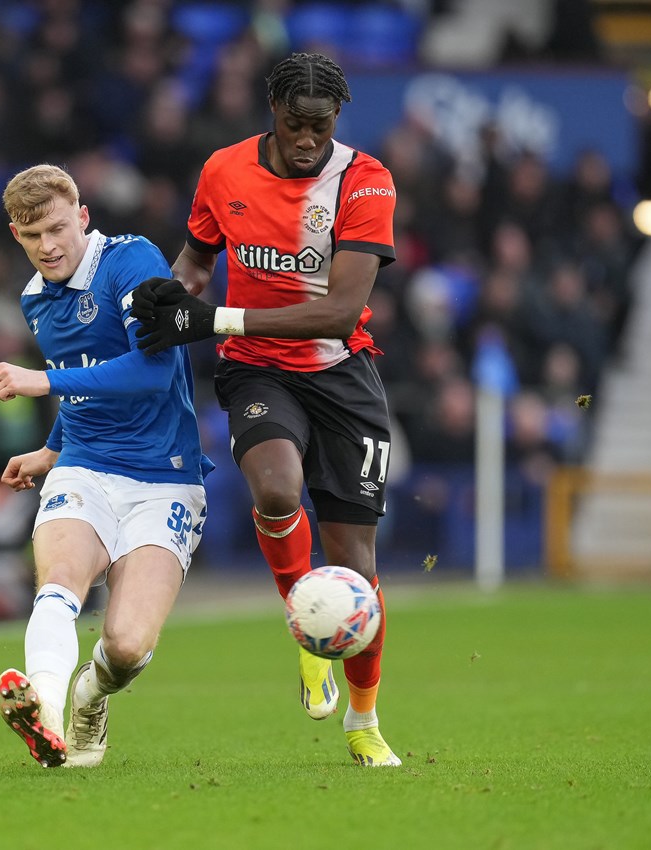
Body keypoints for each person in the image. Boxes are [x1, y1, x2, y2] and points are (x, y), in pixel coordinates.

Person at [132, 53, 400, 767]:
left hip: (344, 375)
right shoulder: (224, 171)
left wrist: (209, 319)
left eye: (322, 124)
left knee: (354, 563)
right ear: (271, 113)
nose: (309, 137)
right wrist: (169, 293)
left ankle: (365, 722)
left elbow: (340, 312)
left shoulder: (365, 180)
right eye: (295, 123)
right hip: (258, 372)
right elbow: (195, 261)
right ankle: (304, 636)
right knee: (277, 490)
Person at [0, 164, 211, 768]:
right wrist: (54, 449)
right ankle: (45, 714)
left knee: (127, 646)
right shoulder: (35, 298)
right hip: (84, 467)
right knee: (59, 585)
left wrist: (39, 381)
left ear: (82, 217)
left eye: (57, 229)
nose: (48, 247)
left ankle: (88, 696)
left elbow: (153, 370)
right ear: (16, 236)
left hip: (165, 475)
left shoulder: (132, 262)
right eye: (32, 238)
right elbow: (88, 384)